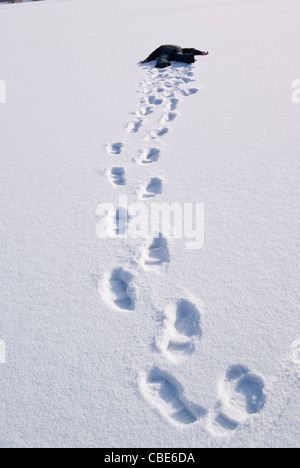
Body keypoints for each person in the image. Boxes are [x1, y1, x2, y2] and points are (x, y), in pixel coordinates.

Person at [140, 44, 209, 68]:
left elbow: (154, 54)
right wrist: (201, 52)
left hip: (166, 48)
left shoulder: (161, 47)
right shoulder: (180, 48)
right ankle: (188, 57)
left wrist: (147, 60)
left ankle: (162, 63)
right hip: (177, 48)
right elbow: (190, 49)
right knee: (178, 55)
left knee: (163, 56)